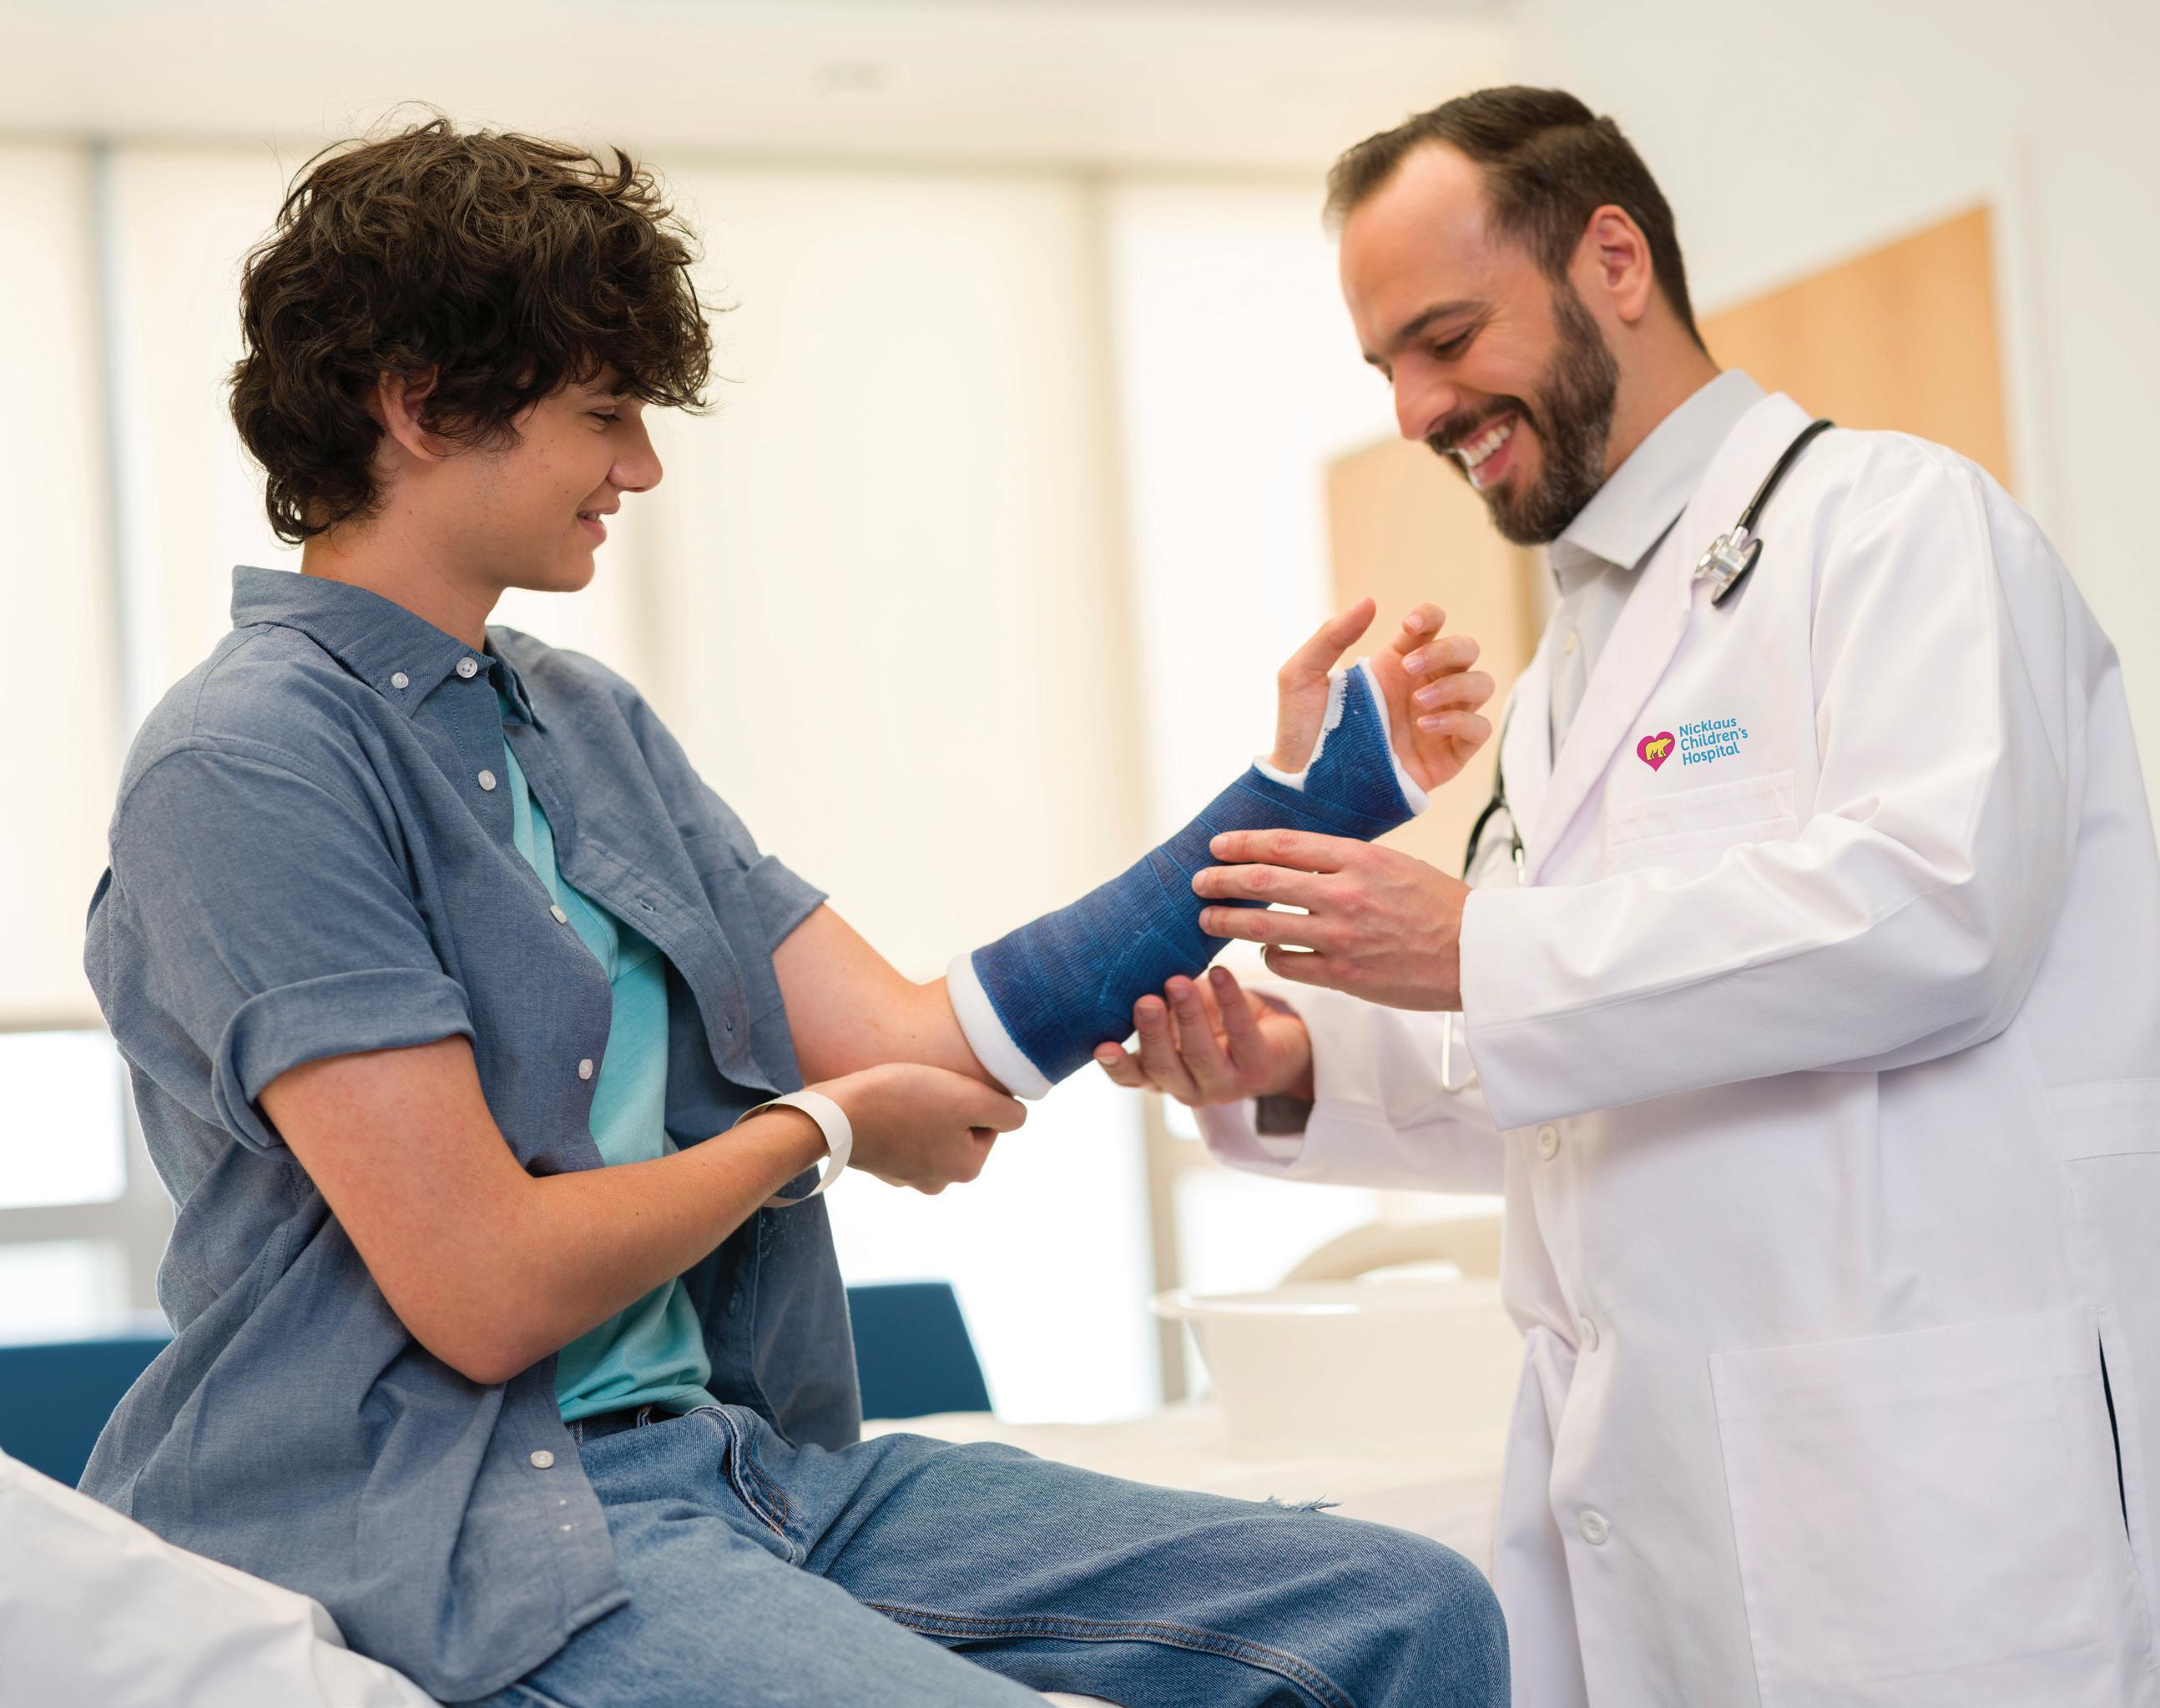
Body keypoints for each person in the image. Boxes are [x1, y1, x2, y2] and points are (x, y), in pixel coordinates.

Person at [77, 119, 1511, 1708]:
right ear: (419, 406)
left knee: (1405, 1610)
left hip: (735, 1465)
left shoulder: (582, 722)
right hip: (449, 1517)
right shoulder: (249, 762)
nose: (641, 468)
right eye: (604, 415)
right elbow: (484, 1291)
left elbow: (928, 1048)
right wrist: (815, 1132)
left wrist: (1294, 804)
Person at [1098, 86, 2160, 1708]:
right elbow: (1591, 1070)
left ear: (1613, 260)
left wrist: (1478, 947)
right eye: (1385, 367)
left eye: (1446, 337)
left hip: (1907, 1487)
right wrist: (1304, 1066)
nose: (1417, 407)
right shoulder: (1569, 674)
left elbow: (1937, 921)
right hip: (1660, 1491)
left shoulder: (1896, 526)